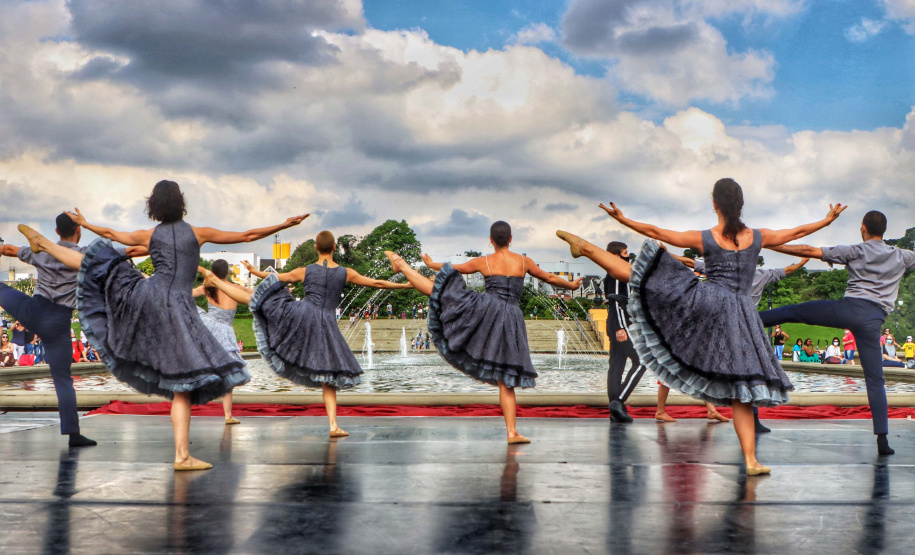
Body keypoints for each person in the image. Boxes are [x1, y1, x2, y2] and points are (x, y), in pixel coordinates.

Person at [555, 178, 845, 475]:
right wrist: (827, 219)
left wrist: (622, 218)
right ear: (741, 205)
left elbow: (657, 232)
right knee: (742, 387)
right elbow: (797, 232)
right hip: (739, 312)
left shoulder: (707, 237)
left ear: (715, 204)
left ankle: (587, 248)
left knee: (643, 278)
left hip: (707, 301)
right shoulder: (758, 236)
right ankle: (751, 460)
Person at [18, 180, 307, 469]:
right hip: (176, 306)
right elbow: (246, 236)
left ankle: (43, 243)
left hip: (149, 296)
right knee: (182, 382)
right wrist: (283, 225)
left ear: (154, 205)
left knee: (94, 263)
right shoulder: (197, 233)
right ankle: (182, 456)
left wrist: (86, 223)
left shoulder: (150, 234)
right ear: (181, 202)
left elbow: (110, 233)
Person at [385, 221, 582, 444]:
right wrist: (572, 286)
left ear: (490, 240)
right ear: (511, 239)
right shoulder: (524, 261)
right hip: (512, 317)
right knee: (506, 379)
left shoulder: (485, 261)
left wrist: (432, 265)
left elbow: (454, 269)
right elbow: (550, 278)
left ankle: (401, 265)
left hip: (488, 310)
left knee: (440, 292)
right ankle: (511, 432)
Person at [211, 231, 412, 438]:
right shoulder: (345, 272)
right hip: (325, 322)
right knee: (328, 376)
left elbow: (276, 277)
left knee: (260, 301)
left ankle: (218, 283)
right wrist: (406, 284)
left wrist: (255, 271)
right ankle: (333, 425)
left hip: (303, 315)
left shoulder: (305, 270)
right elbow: (378, 283)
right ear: (334, 248)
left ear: (316, 248)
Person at [759, 209, 915, 455]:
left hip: (847, 310)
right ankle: (882, 441)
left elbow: (810, 251)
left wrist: (770, 245)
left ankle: (747, 319)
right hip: (873, 321)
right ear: (884, 231)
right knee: (876, 380)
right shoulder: (903, 256)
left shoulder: (855, 250)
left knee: (794, 311)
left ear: (863, 228)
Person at [0, 213, 147, 447]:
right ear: (79, 231)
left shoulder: (40, 250)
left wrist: (5, 249)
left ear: (56, 232)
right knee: (63, 380)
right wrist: (157, 248)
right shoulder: (86, 254)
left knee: (3, 290)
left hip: (33, 310)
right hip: (58, 321)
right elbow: (131, 252)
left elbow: (7, 250)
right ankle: (73, 433)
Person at [192, 259, 251, 426]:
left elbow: (189, 294)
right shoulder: (236, 289)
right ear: (227, 273)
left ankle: (187, 398)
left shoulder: (208, 288)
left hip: (209, 327)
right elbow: (254, 292)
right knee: (227, 374)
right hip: (225, 332)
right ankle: (227, 415)